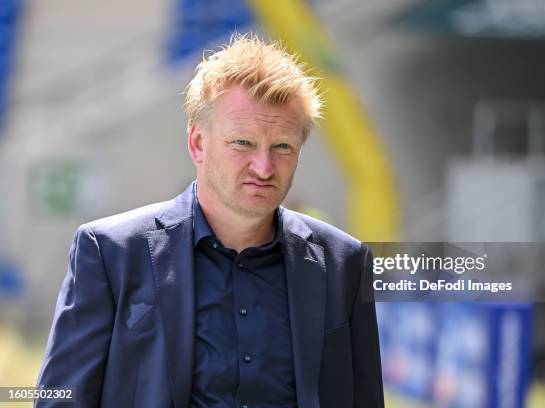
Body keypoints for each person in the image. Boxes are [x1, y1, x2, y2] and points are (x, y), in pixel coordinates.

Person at [36, 34, 384, 408]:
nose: (264, 167)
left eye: (282, 146)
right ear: (198, 144)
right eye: (243, 143)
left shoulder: (344, 262)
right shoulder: (108, 252)